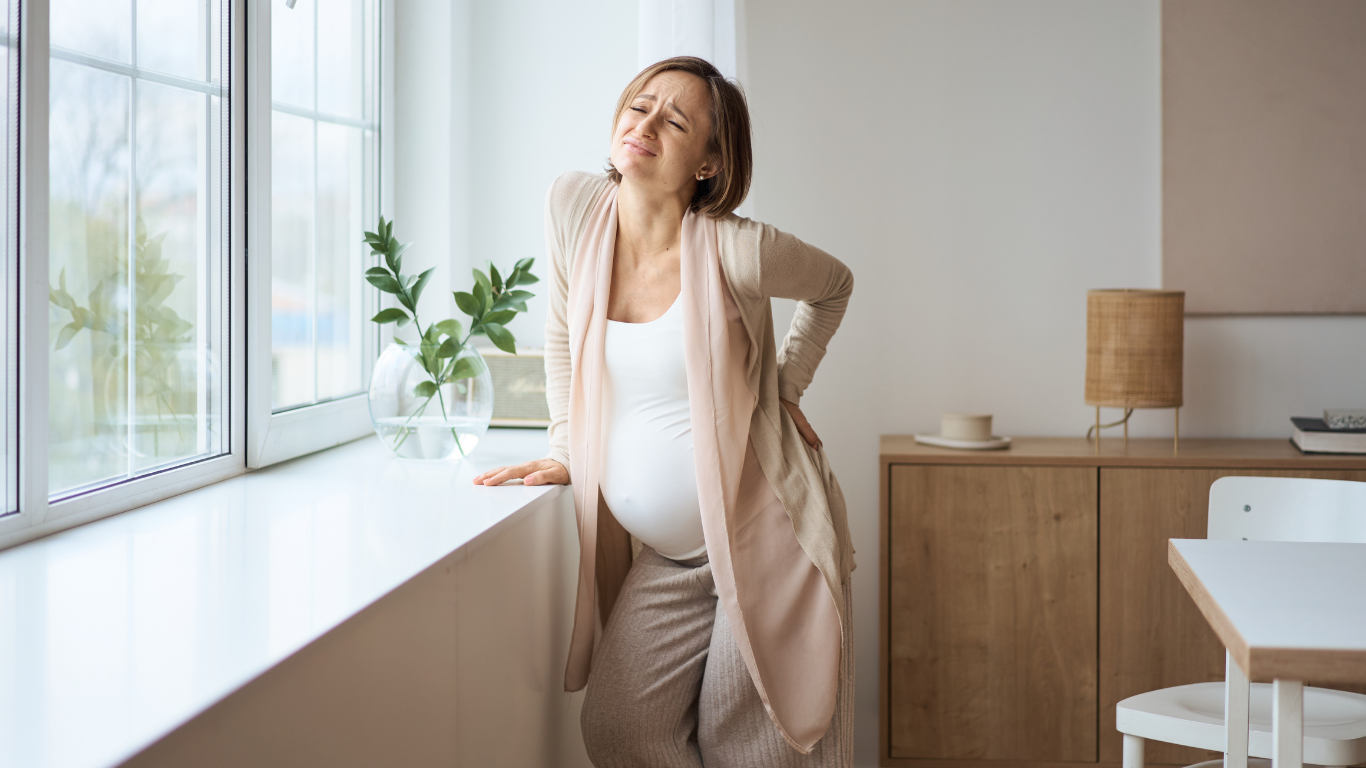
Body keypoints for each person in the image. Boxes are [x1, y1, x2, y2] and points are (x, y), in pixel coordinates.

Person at [472, 56, 855, 767]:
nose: (644, 124)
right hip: (673, 558)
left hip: (765, 543)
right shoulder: (574, 208)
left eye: (674, 120)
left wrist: (784, 388)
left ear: (709, 162)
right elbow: (562, 333)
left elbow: (834, 285)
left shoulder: (739, 250)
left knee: (745, 748)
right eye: (639, 105)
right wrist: (565, 446)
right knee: (622, 730)